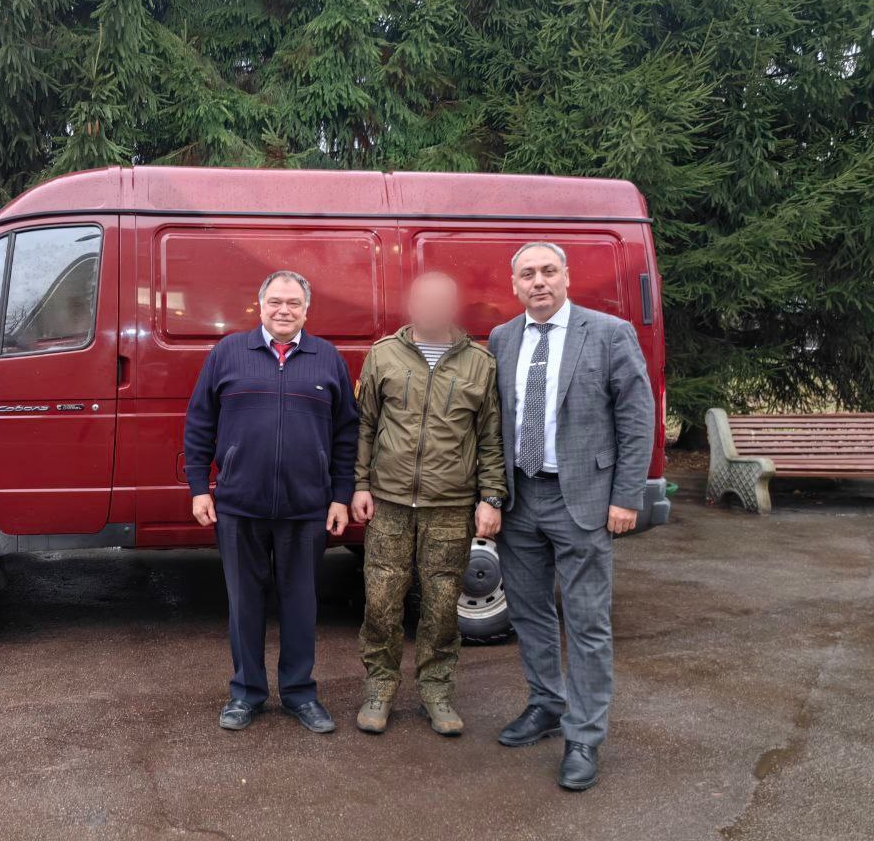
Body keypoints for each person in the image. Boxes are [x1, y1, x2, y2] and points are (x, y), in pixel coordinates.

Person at [488, 241, 654, 791]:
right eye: (527, 274)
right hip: (520, 497)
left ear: (566, 277)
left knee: (587, 622)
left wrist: (626, 496)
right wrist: (491, 495)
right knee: (529, 613)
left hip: (582, 498)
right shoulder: (502, 338)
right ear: (514, 285)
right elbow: (495, 422)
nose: (538, 281)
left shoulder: (608, 333)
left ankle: (584, 736)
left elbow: (637, 418)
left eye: (548, 271)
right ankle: (547, 704)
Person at [184, 270, 359, 734]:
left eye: (294, 303)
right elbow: (199, 423)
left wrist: (340, 496)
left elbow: (346, 434)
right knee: (244, 605)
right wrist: (199, 487)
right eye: (276, 302)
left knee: (301, 605)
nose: (284, 310)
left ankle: (300, 694)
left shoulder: (327, 358)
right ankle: (246, 693)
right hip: (239, 506)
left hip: (307, 508)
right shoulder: (228, 353)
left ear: (307, 310)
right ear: (259, 306)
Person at [350, 272, 506, 735]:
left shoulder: (480, 363)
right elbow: (363, 427)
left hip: (451, 506)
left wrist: (491, 497)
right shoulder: (383, 355)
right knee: (381, 602)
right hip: (389, 502)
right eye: (424, 300)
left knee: (441, 607)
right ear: (411, 304)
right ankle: (379, 688)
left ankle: (437, 691)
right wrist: (359, 485)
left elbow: (490, 438)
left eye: (441, 300)